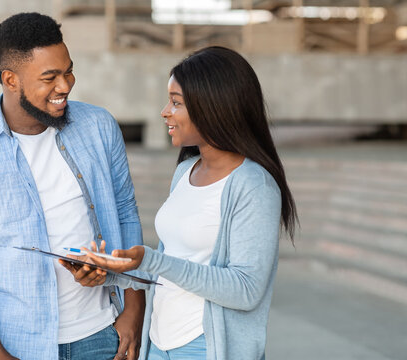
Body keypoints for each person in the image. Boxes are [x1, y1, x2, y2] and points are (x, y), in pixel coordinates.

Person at [0, 12, 145, 360]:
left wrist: (134, 308)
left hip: (102, 334)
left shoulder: (99, 126)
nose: (65, 86)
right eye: (50, 77)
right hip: (15, 344)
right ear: (11, 79)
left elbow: (124, 212)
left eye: (68, 71)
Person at [63, 46, 298, 360]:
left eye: (176, 103)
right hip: (159, 343)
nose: (165, 112)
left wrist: (150, 259)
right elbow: (171, 262)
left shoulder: (253, 185)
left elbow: (246, 290)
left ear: (213, 107)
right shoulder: (186, 171)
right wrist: (111, 272)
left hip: (205, 347)